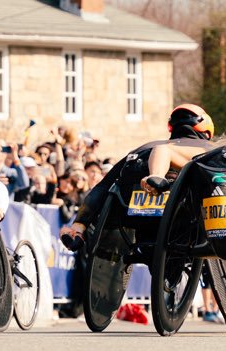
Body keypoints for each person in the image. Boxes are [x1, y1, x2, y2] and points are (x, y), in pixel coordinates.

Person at [58, 103, 216, 246]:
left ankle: (77, 228)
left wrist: (81, 222)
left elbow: (103, 186)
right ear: (206, 129)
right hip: (189, 218)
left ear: (171, 127)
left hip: (138, 220)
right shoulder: (209, 148)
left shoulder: (146, 148)